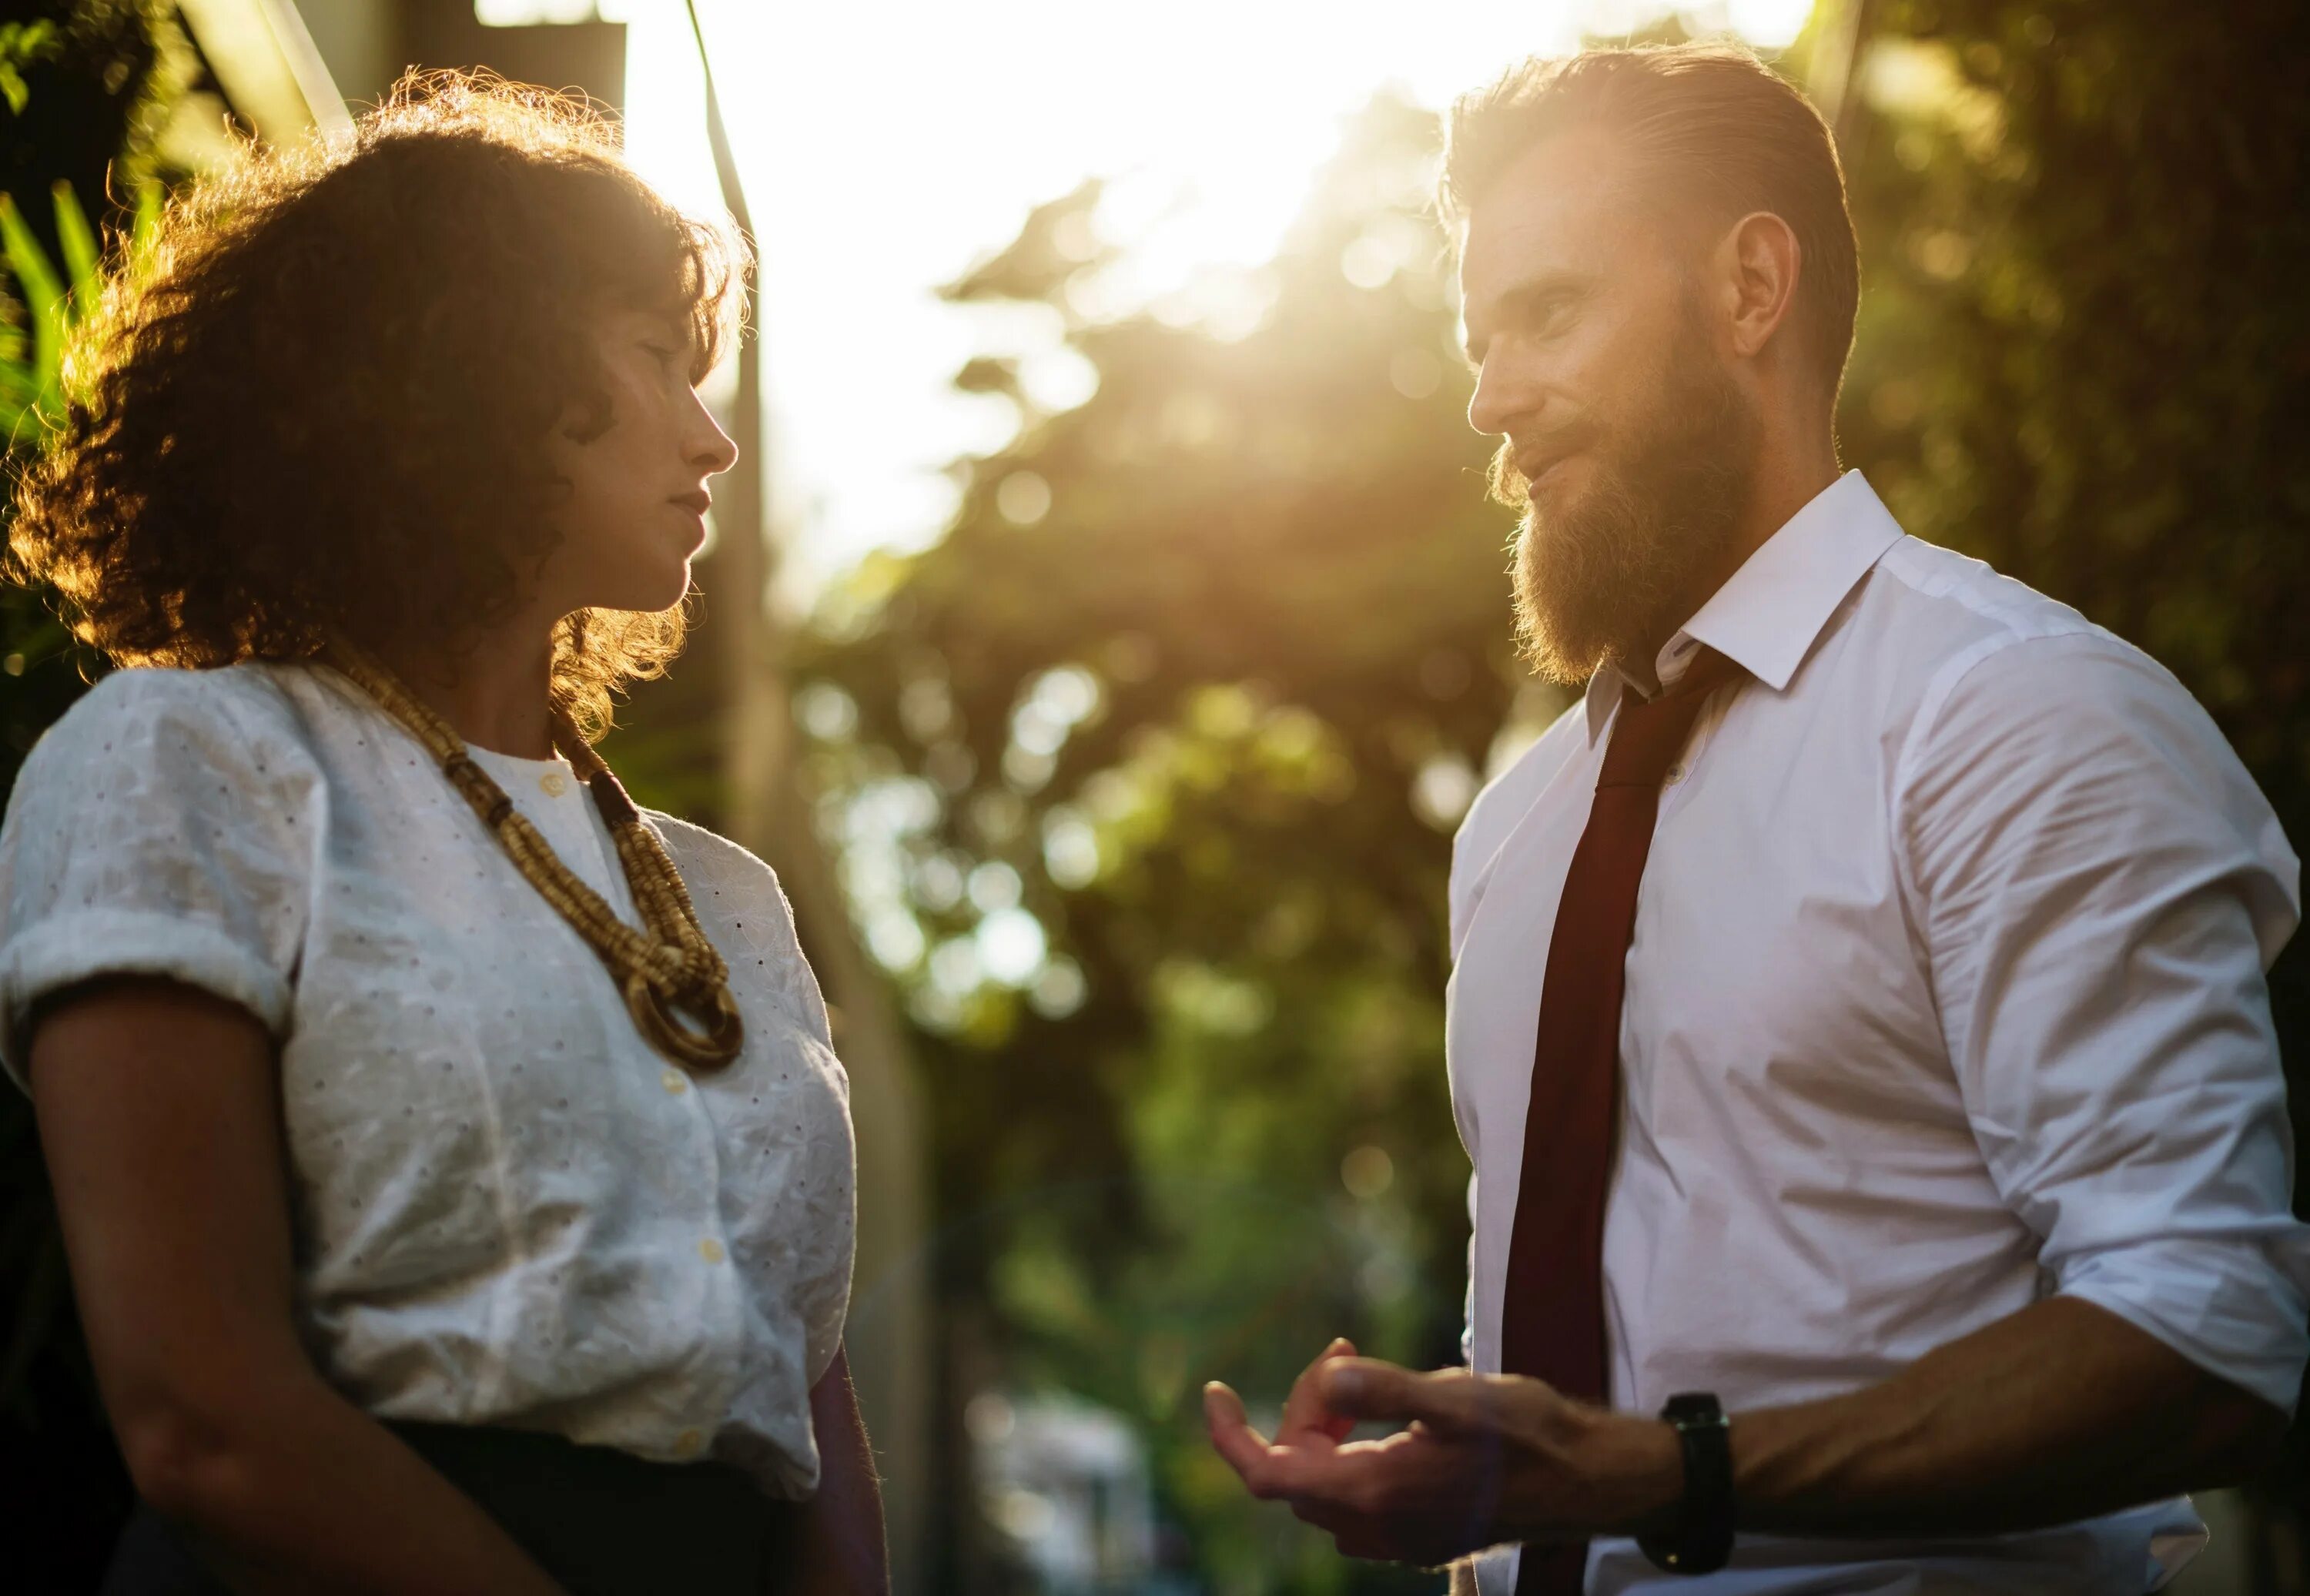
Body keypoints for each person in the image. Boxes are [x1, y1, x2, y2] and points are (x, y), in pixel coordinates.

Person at [1203, 40, 2307, 1596]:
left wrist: (1673, 1473)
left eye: (1550, 312)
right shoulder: (1517, 834)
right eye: (1481, 334)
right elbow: (1553, 1408)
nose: (1490, 395)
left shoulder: (2015, 716)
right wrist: (1471, 1505)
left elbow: (2208, 1329)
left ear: (1751, 288)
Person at [0, 72, 884, 1595]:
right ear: (479, 366)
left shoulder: (729, 896)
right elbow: (201, 1416)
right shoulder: (190, 757)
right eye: (658, 360)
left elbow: (801, 1397)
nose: (710, 438)